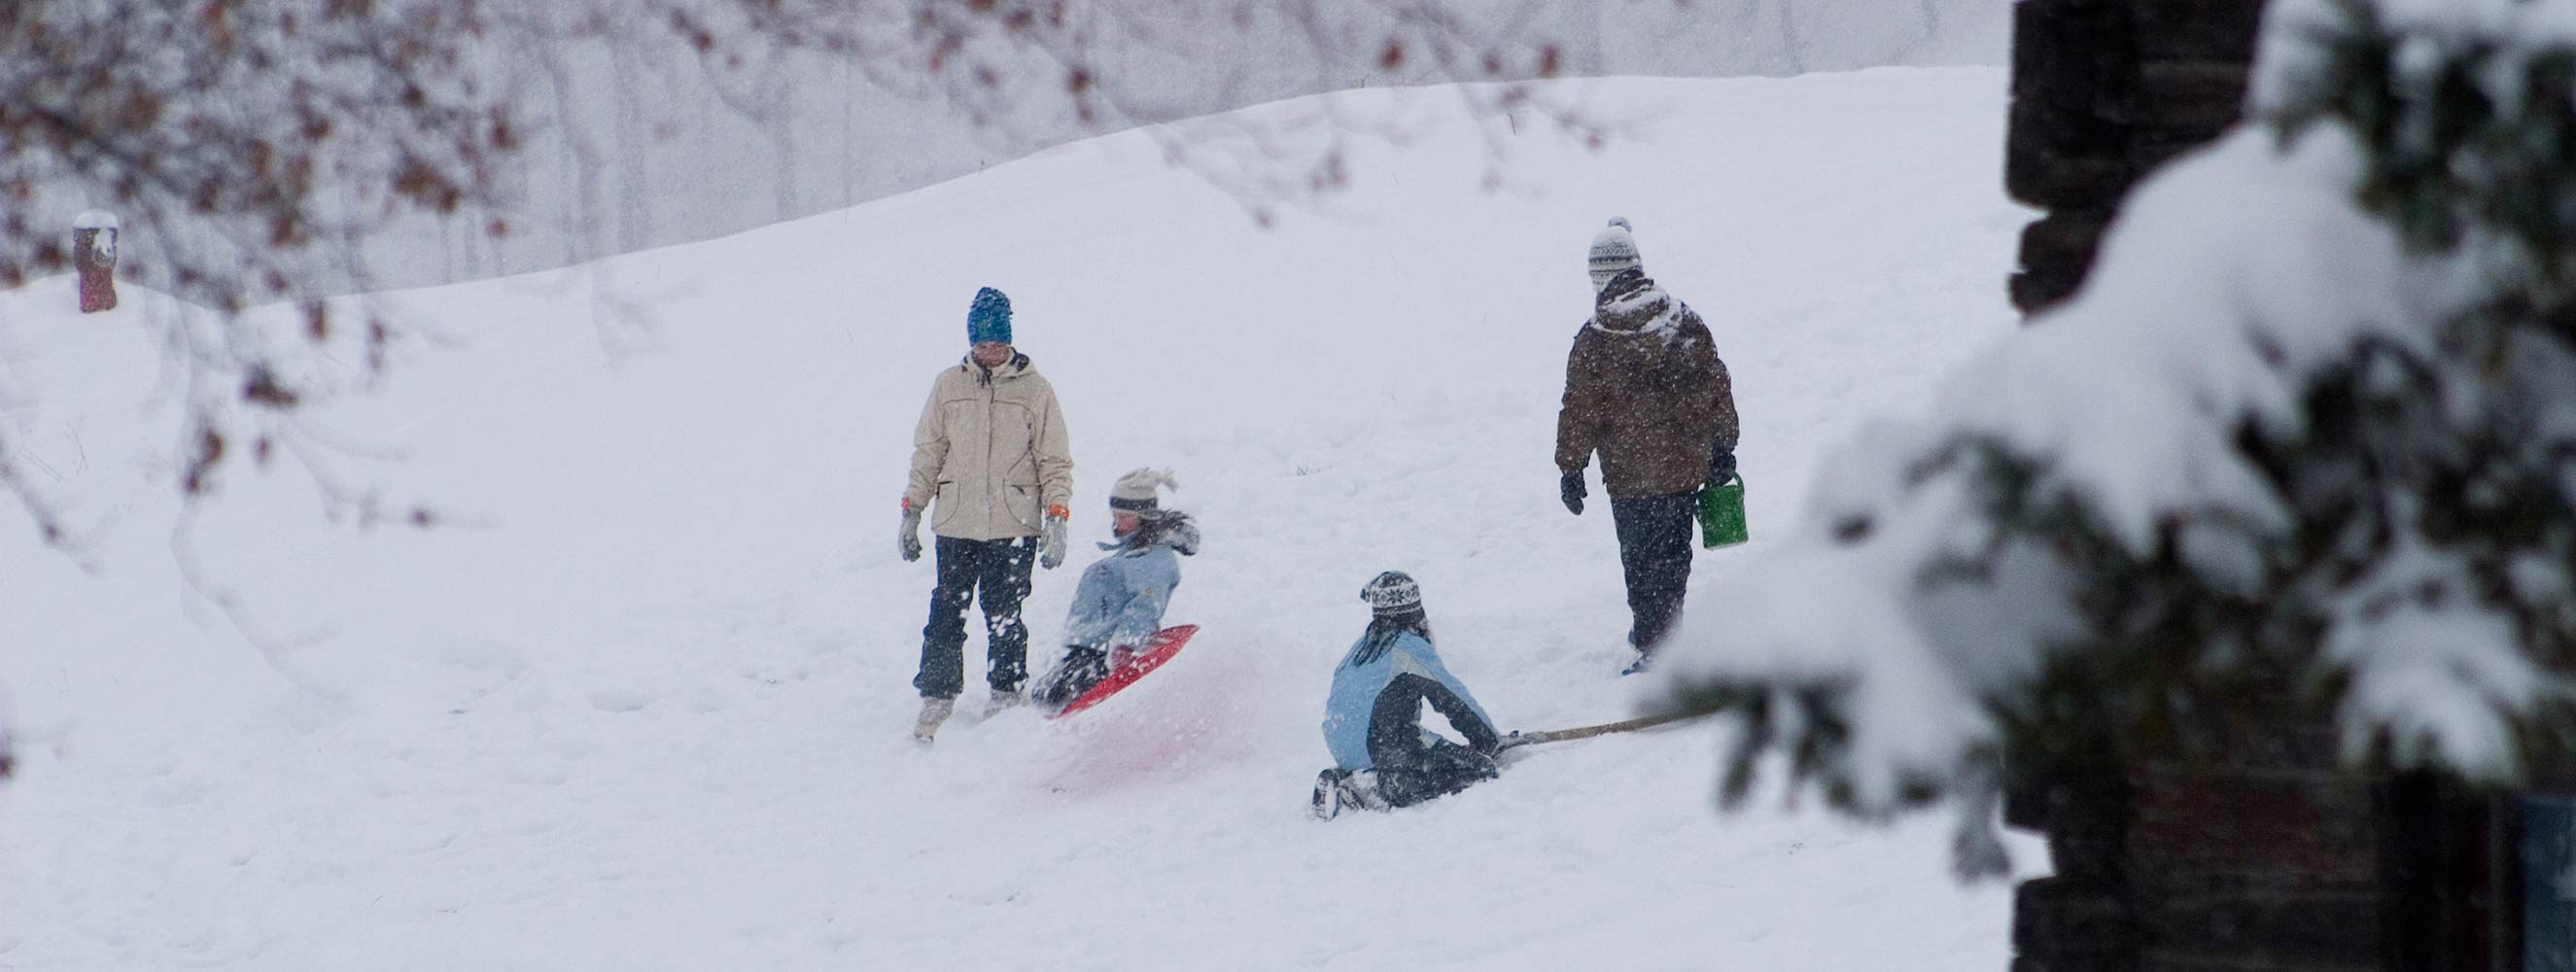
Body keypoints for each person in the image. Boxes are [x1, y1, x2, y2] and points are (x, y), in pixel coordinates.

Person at [1553, 218, 1739, 674]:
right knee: (1674, 558)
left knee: (1639, 561)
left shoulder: (1595, 338)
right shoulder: (1681, 320)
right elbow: (1713, 387)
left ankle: (1657, 644)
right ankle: (1664, 634)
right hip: (1681, 467)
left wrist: (1571, 468)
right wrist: (1722, 448)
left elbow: (1580, 408)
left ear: (1600, 278)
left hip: (1630, 476)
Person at [900, 286, 1074, 742]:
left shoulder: (1036, 390)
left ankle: (1005, 691)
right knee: (946, 610)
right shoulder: (948, 386)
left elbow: (1054, 460)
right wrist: (912, 509)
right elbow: (929, 451)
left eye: (997, 343)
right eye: (981, 344)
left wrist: (1057, 515)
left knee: (1005, 613)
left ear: (1009, 341)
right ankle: (937, 696)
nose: (990, 352)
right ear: (971, 342)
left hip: (1013, 524)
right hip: (957, 521)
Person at [1311, 572, 1505, 819]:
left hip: (1342, 746)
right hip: (1382, 746)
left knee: (1416, 750)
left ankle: (1350, 775)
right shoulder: (1408, 647)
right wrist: (1489, 740)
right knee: (1479, 768)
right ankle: (1378, 787)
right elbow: (1453, 699)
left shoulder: (1360, 648)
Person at [1030, 469, 1199, 710]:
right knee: (1043, 696)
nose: (1116, 523)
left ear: (1144, 516)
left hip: (1104, 653)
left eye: (1124, 516)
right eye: (1115, 515)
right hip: (1088, 647)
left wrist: (1124, 647)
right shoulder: (1133, 550)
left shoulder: (1152, 561)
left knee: (1056, 698)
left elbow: (1145, 606)